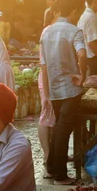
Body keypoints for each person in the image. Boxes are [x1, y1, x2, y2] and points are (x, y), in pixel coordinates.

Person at [40, 0, 88, 186]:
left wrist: (47, 93)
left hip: (55, 90)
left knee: (59, 128)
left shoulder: (47, 31)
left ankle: (51, 168)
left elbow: (43, 66)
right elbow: (82, 54)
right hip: (70, 89)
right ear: (75, 10)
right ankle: (59, 174)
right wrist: (82, 75)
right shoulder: (74, 31)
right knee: (62, 131)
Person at [38, 11, 57, 179]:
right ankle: (47, 154)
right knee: (46, 116)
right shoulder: (49, 31)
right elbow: (44, 64)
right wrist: (46, 92)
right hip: (48, 79)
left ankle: (52, 154)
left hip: (51, 79)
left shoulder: (51, 30)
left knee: (51, 117)